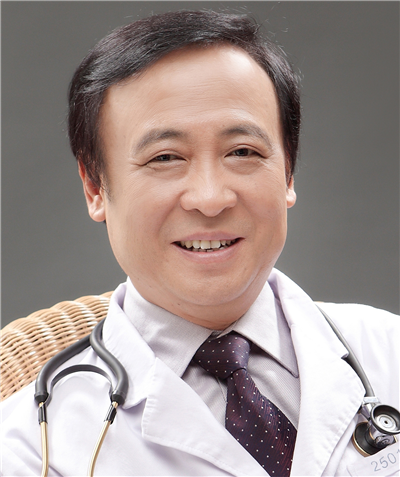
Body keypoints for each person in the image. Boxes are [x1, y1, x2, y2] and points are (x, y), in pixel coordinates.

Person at [1, 10, 399, 477]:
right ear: (95, 188)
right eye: (165, 157)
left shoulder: (389, 351)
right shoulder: (33, 450)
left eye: (242, 151)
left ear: (288, 173)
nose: (210, 199)